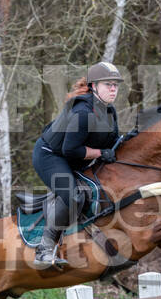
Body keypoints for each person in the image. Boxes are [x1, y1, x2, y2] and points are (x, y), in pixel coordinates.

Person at [31, 61, 124, 267]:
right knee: (73, 195)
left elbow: (114, 142)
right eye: (108, 84)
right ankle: (43, 250)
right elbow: (70, 150)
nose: (113, 89)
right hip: (50, 155)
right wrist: (101, 153)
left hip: (73, 156)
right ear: (93, 86)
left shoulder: (109, 111)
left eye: (115, 85)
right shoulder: (83, 113)